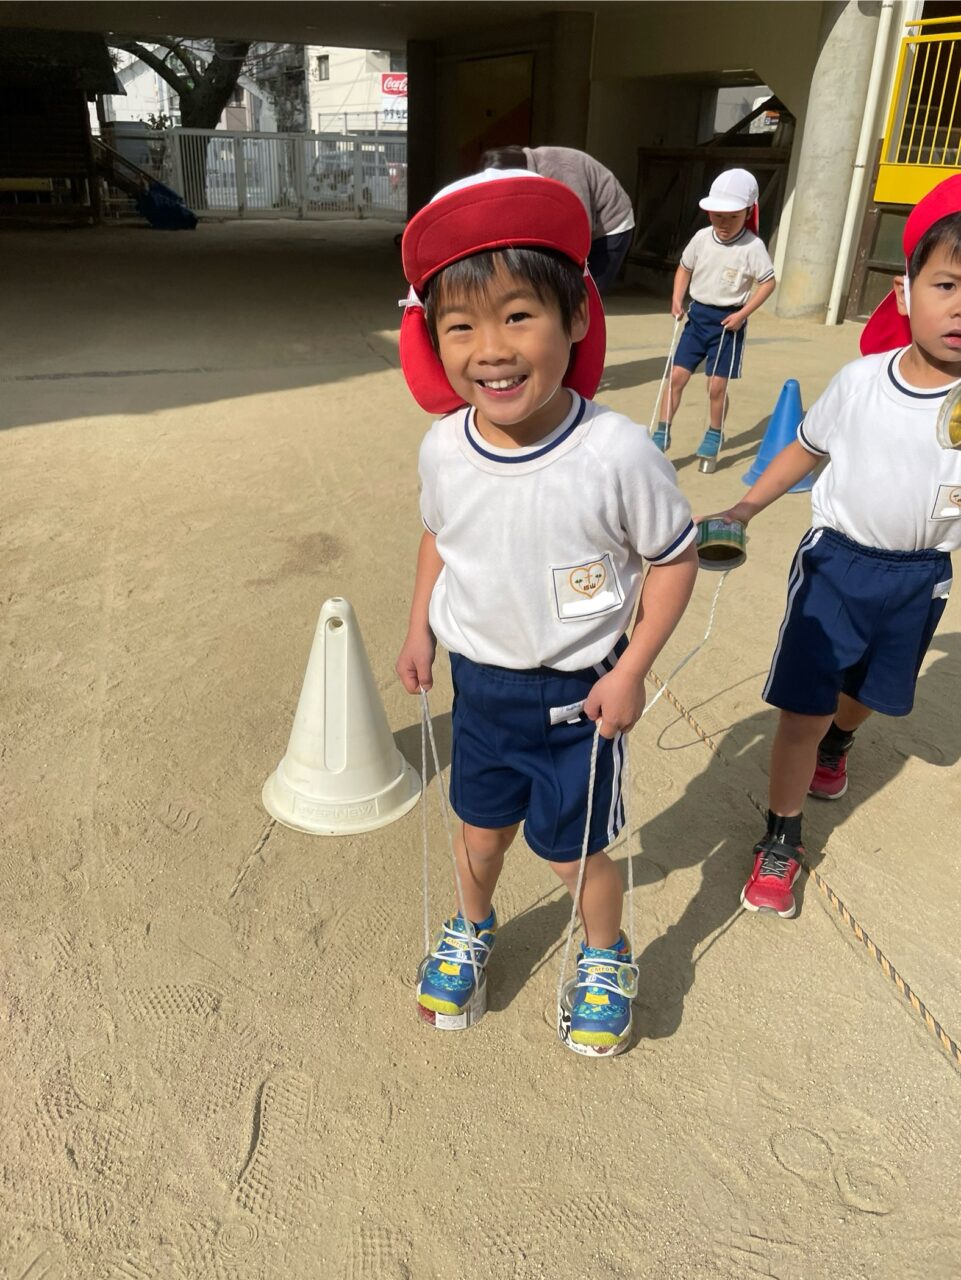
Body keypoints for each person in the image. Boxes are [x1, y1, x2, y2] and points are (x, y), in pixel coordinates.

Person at [395, 169, 698, 1053]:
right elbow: (439, 535)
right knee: (479, 835)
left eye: (519, 315)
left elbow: (673, 559)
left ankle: (605, 955)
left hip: (580, 699)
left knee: (572, 855)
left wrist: (631, 670)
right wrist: (418, 628)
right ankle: (471, 929)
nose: (490, 349)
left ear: (576, 319)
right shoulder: (442, 448)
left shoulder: (617, 452)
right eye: (460, 325)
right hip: (480, 690)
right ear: (433, 340)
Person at [707, 172, 961, 919]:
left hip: (921, 578)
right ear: (904, 294)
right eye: (947, 285)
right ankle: (781, 837)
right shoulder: (859, 383)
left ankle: (839, 744)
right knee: (802, 707)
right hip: (836, 567)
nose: (960, 306)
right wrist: (745, 506)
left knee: (866, 696)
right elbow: (805, 448)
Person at [653, 168, 776, 466]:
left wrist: (743, 314)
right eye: (717, 215)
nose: (724, 223)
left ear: (748, 212)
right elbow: (685, 267)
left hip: (728, 323)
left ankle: (714, 433)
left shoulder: (752, 247)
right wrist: (677, 298)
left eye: (733, 216)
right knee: (676, 377)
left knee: (716, 386)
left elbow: (768, 282)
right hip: (697, 317)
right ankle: (662, 431)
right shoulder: (701, 238)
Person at [479, 146, 635, 294]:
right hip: (583, 219)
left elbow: (580, 223)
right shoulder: (527, 171)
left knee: (590, 289)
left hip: (612, 220)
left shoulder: (560, 170)